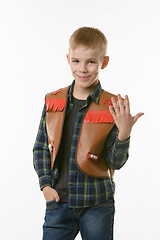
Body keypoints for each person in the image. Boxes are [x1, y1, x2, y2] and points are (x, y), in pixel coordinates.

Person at [33, 26, 144, 240]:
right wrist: (46, 186)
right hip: (58, 202)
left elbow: (114, 162)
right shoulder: (52, 100)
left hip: (97, 203)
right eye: (76, 61)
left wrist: (124, 133)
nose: (82, 69)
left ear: (104, 62)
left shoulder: (113, 106)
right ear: (68, 59)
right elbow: (40, 148)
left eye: (91, 62)